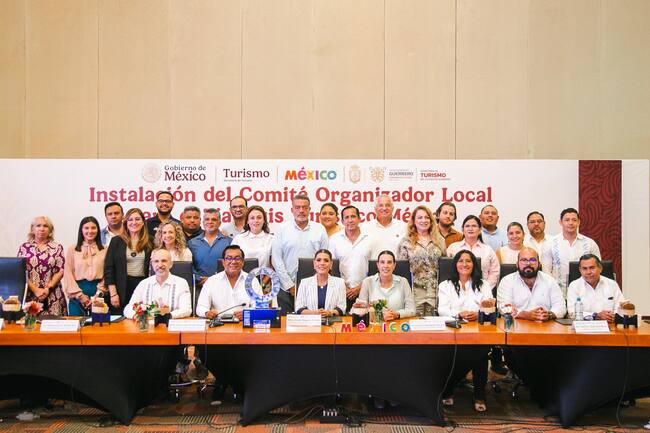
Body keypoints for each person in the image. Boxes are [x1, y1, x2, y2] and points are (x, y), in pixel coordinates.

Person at [438, 250, 492, 412]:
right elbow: (442, 310)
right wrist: (458, 314)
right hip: (453, 329)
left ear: (474, 264)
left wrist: (478, 313)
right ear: (455, 264)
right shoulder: (445, 285)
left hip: (477, 330)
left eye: (468, 261)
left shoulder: (484, 284)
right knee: (453, 353)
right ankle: (448, 390)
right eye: (461, 261)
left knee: (481, 352)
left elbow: (489, 306)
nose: (464, 264)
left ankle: (479, 394)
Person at [271, 194, 328, 315]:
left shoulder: (320, 229)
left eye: (304, 207)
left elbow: (324, 259)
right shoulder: (282, 229)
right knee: (285, 323)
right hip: (285, 288)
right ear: (292, 210)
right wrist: (289, 285)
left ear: (309, 209)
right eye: (297, 207)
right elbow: (276, 259)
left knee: (311, 323)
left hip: (313, 287)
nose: (301, 210)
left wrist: (314, 283)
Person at [397, 205, 446, 316]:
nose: (424, 220)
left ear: (431, 220)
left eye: (427, 217)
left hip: (435, 293)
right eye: (420, 217)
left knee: (434, 325)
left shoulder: (440, 240)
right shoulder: (405, 242)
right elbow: (401, 272)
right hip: (414, 294)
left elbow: (444, 267)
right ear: (414, 221)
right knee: (414, 325)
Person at [104, 208, 153, 315]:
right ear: (126, 222)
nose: (134, 222)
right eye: (130, 220)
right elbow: (109, 269)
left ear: (143, 222)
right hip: (122, 288)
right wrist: (113, 294)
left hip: (143, 285)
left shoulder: (151, 241)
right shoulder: (116, 241)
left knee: (142, 318)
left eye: (137, 219)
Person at [543, 208, 601, 296]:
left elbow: (597, 268)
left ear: (579, 222)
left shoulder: (590, 243)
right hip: (558, 292)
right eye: (567, 220)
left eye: (574, 220)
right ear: (561, 222)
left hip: (585, 292)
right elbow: (546, 271)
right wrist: (552, 290)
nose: (571, 223)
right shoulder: (550, 243)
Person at [497, 247, 566, 321]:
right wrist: (526, 315)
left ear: (539, 264)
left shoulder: (550, 281)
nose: (528, 263)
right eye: (524, 260)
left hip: (545, 325)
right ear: (517, 264)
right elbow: (504, 308)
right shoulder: (507, 281)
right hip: (517, 326)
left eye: (533, 260)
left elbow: (561, 307)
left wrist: (549, 315)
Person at [196, 245, 263, 320]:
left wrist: (248, 314)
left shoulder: (252, 281)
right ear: (223, 262)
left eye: (237, 258)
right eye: (229, 258)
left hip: (244, 324)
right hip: (219, 324)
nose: (233, 262)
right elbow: (201, 307)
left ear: (243, 262)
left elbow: (261, 307)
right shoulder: (211, 281)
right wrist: (207, 313)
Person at [18, 216, 66, 315]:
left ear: (50, 230)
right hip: (30, 295)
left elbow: (61, 270)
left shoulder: (57, 247)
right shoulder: (24, 247)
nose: (42, 229)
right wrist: (35, 290)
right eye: (38, 225)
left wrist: (47, 289)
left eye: (45, 226)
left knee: (54, 324)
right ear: (32, 229)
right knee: (30, 323)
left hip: (53, 295)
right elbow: (20, 271)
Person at [123, 248, 191, 319]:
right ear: (152, 264)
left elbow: (186, 309)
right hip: (148, 324)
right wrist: (137, 316)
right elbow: (128, 308)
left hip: (172, 323)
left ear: (171, 264)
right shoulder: (143, 284)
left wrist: (166, 316)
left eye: (164, 261)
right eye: (156, 261)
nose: (160, 265)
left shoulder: (181, 283)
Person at [329, 206, 372, 312]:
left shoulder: (370, 239)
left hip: (365, 290)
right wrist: (343, 287)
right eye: (347, 217)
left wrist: (361, 287)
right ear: (342, 221)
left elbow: (376, 267)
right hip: (341, 291)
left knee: (364, 320)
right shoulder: (334, 239)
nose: (350, 220)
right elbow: (331, 267)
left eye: (353, 216)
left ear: (359, 219)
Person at [64, 216, 106, 316]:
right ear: (81, 230)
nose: (90, 231)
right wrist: (80, 295)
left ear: (98, 230)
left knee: (98, 324)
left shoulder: (105, 249)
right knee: (76, 323)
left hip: (98, 292)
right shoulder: (72, 249)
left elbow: (107, 273)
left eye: (93, 228)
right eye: (86, 228)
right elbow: (68, 273)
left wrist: (98, 295)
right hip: (77, 292)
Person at [355, 250, 415, 320]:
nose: (386, 266)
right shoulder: (367, 282)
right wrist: (378, 314)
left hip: (397, 324)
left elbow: (412, 310)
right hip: (375, 324)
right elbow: (362, 310)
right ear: (378, 265)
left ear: (394, 265)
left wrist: (397, 314)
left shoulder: (403, 282)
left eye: (389, 262)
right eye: (382, 262)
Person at [447, 215, 500, 290]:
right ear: (462, 229)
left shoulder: (488, 249)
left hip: (482, 290)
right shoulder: (453, 248)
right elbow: (447, 270)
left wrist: (484, 289)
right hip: (457, 290)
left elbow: (495, 272)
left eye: (474, 226)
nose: (470, 229)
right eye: (467, 226)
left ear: (480, 230)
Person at [566, 254, 623, 321]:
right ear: (580, 270)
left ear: (600, 268)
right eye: (584, 269)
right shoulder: (574, 286)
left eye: (592, 268)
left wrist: (612, 315)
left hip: (609, 324)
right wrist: (596, 315)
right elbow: (572, 312)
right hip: (583, 325)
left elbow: (620, 307)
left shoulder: (612, 284)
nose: (588, 272)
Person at [188, 208, 232, 289]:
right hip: (200, 287)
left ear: (219, 223)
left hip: (223, 286)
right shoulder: (192, 243)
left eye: (214, 219)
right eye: (207, 219)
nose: (210, 222)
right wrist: (199, 279)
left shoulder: (229, 242)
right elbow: (190, 267)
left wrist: (213, 279)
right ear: (203, 222)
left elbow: (232, 264)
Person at [295, 249, 346, 317]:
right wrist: (314, 313)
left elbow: (342, 308)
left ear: (331, 264)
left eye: (326, 260)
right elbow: (298, 308)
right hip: (310, 322)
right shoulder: (304, 283)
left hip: (331, 321)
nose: (322, 263)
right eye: (318, 260)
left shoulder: (340, 283)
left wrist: (329, 313)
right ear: (314, 264)